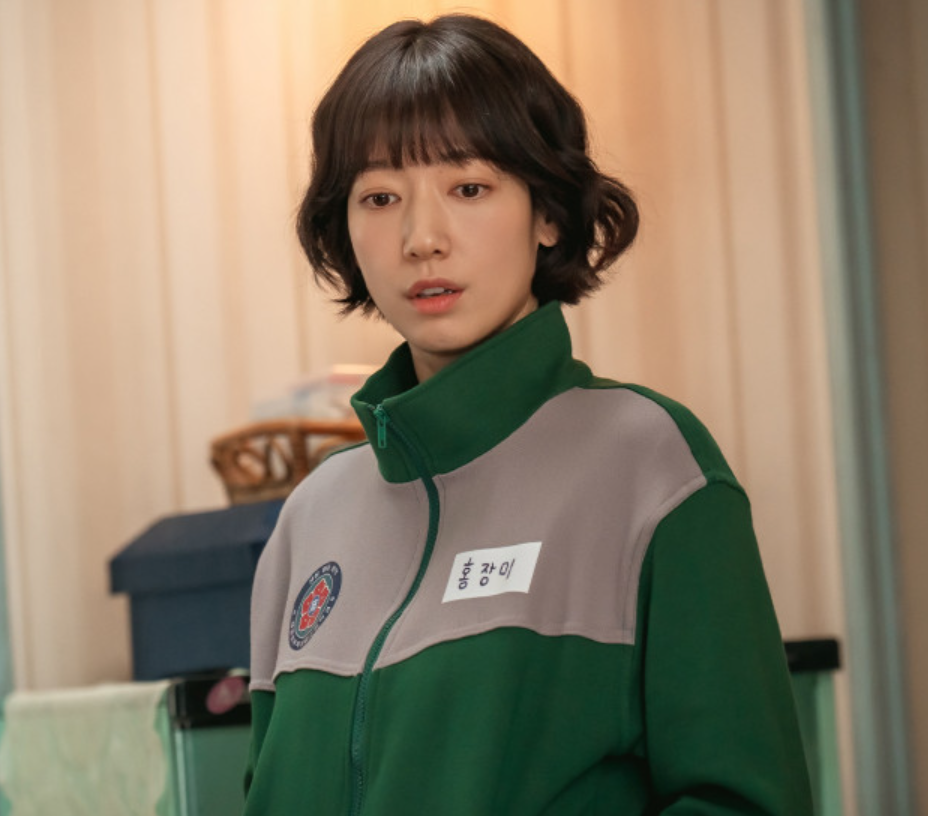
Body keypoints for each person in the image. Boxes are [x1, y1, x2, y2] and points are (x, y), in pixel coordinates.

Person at [244, 13, 813, 816]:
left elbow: (746, 801)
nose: (422, 238)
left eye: (469, 188)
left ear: (546, 213)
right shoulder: (312, 517)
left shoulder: (651, 467)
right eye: (379, 197)